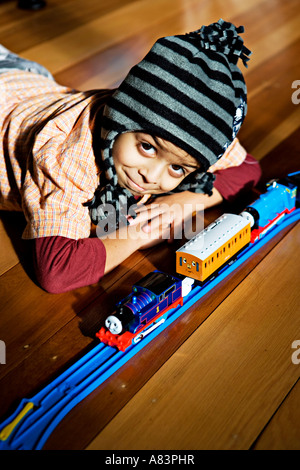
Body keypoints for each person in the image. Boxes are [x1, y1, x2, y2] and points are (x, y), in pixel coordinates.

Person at [0, 19, 261, 293]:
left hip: (28, 82)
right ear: (118, 119)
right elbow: (58, 271)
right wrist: (145, 230)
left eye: (177, 169)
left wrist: (185, 202)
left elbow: (246, 168)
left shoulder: (190, 138)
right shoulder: (68, 155)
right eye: (147, 147)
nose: (151, 175)